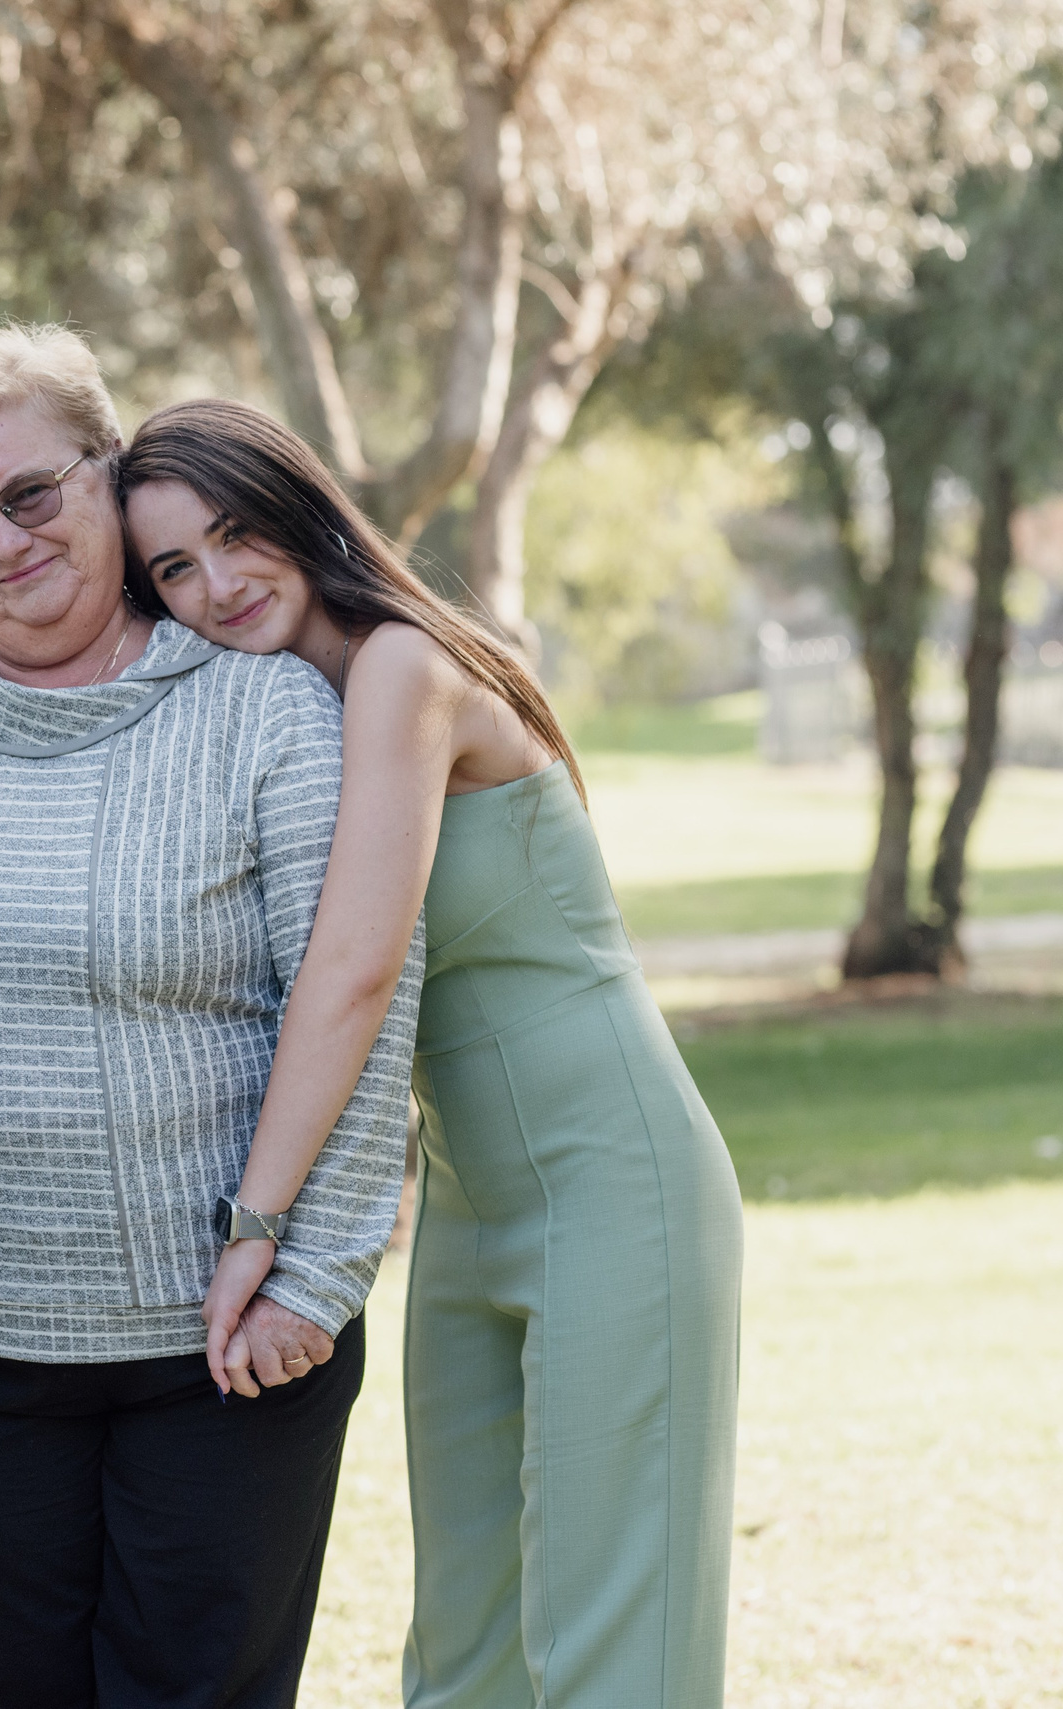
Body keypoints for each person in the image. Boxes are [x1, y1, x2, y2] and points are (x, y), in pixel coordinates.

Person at [0, 324, 422, 1709]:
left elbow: (357, 1000)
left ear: (109, 472)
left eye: (32, 494)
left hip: (226, 1349)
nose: (4, 542)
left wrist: (315, 1281)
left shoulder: (268, 709)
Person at [118, 396, 745, 1708]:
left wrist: (259, 1226)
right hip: (471, 1199)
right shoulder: (293, 706)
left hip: (617, 1180)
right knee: (467, 1640)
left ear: (299, 514)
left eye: (237, 535)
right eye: (174, 566)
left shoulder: (403, 666)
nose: (216, 584)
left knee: (611, 1632)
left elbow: (352, 975)